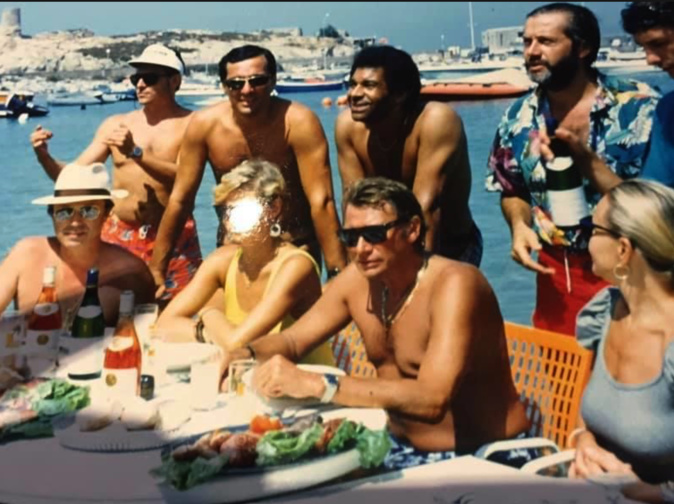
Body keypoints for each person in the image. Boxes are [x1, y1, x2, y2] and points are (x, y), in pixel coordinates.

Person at [218, 177, 530, 470]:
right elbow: (293, 341)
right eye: (350, 238)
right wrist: (245, 354)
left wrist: (318, 385)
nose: (362, 249)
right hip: (398, 448)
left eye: (375, 234)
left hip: (485, 458)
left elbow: (432, 400)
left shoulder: (455, 285)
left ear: (412, 230)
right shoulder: (358, 281)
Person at [486, 3, 659, 336]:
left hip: (635, 270)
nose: (532, 52)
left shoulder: (640, 107)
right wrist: (519, 226)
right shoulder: (518, 116)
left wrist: (586, 161)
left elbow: (658, 207)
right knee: (562, 366)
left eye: (546, 41)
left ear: (583, 48)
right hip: (557, 277)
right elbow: (511, 188)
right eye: (526, 41)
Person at [150, 44, 347, 291]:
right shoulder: (204, 125)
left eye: (257, 81)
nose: (246, 90)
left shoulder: (298, 122)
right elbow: (181, 199)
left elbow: (322, 202)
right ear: (224, 86)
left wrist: (337, 272)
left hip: (294, 247)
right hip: (234, 250)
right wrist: (157, 268)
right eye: (236, 84)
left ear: (273, 81)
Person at [29, 44, 202, 302]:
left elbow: (187, 178)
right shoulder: (116, 125)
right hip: (118, 235)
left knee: (177, 312)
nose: (140, 84)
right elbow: (73, 180)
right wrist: (44, 156)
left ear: (174, 81)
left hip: (174, 238)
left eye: (150, 78)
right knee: (111, 312)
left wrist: (135, 153)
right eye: (136, 78)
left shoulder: (193, 125)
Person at [156, 160, 334, 365]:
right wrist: (205, 332)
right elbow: (163, 325)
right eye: (225, 211)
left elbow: (238, 344)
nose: (229, 221)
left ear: (274, 208)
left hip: (305, 379)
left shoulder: (295, 266)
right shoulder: (222, 261)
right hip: (252, 376)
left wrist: (208, 311)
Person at [569, 180, 674, 503]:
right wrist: (583, 441)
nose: (583, 239)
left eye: (592, 228)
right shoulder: (607, 312)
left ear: (623, 250)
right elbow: (589, 413)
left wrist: (653, 492)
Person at [335, 46, 482, 266]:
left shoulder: (436, 120)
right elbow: (354, 205)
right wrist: (353, 270)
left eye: (369, 85)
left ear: (400, 93)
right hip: (383, 245)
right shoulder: (347, 127)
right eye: (352, 84)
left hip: (450, 245)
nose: (354, 94)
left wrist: (422, 278)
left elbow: (427, 209)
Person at [0, 163, 155, 327]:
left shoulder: (130, 273)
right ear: (52, 214)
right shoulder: (26, 256)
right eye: (64, 212)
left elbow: (146, 334)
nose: (75, 222)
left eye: (89, 211)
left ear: (106, 213)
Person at [622, 1, 674, 189]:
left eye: (658, 44)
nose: (650, 59)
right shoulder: (667, 110)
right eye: (644, 48)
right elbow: (655, 195)